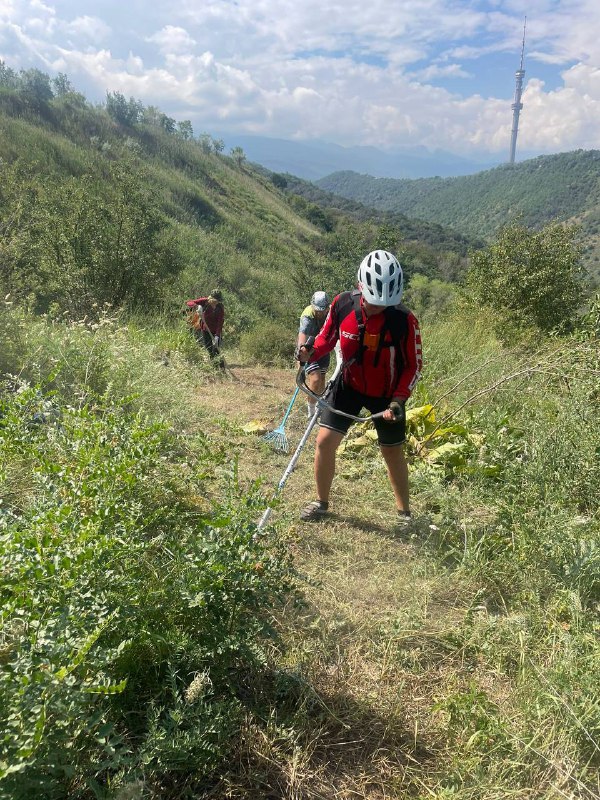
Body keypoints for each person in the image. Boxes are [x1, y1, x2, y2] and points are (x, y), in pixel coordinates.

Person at [297, 250, 422, 525]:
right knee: (324, 441)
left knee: (392, 451)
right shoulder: (343, 304)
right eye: (374, 302)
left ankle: (404, 514)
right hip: (349, 384)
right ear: (360, 288)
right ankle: (321, 503)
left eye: (385, 304)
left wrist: (399, 400)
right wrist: (309, 351)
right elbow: (325, 339)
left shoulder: (404, 320)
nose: (379, 308)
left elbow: (413, 366)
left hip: (387, 395)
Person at [297, 291, 331, 418]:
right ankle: (311, 413)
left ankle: (318, 408)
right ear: (312, 306)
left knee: (321, 380)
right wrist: (301, 352)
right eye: (317, 310)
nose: (320, 313)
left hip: (323, 348)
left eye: (323, 310)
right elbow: (302, 335)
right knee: (315, 379)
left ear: (327, 307)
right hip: (308, 348)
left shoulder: (331, 312)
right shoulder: (307, 315)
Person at [185, 290, 225, 367]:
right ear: (211, 298)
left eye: (218, 301)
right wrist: (197, 306)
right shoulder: (205, 302)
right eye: (216, 300)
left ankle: (222, 367)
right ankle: (214, 367)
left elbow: (220, 322)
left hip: (216, 331)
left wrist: (217, 336)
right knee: (209, 349)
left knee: (216, 349)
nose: (217, 302)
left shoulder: (220, 308)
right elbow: (189, 302)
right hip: (205, 330)